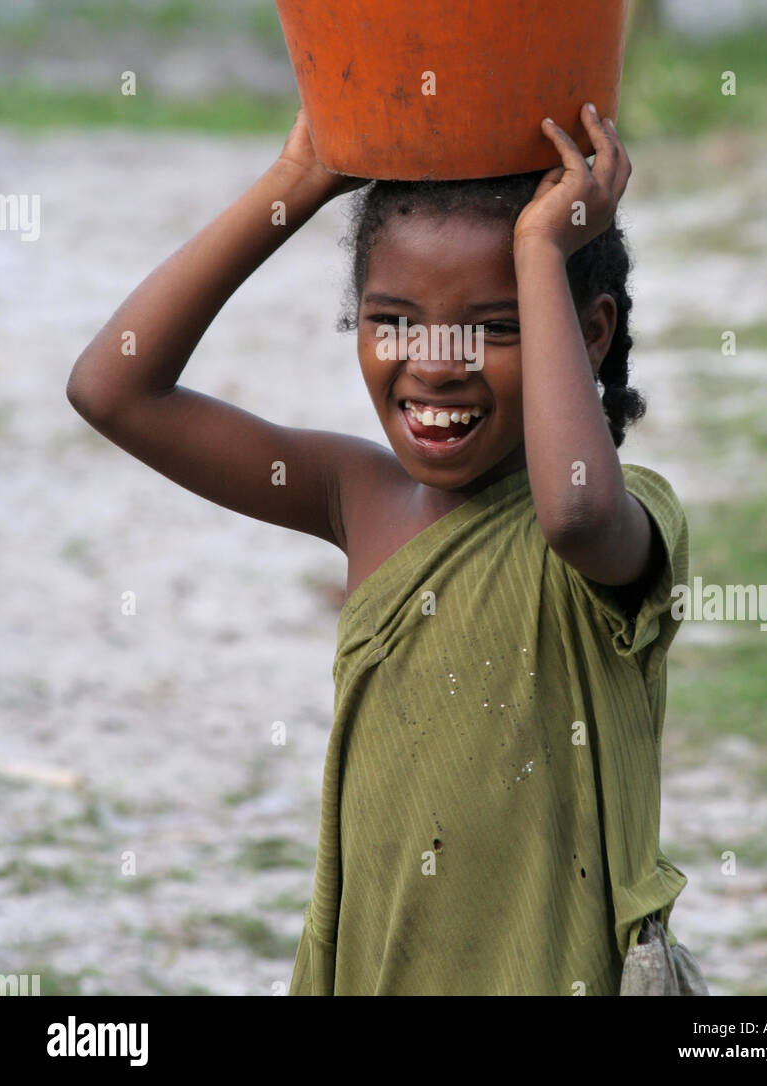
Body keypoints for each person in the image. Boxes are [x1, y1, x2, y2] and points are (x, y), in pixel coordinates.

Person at [66, 102, 693, 996]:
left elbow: (575, 515)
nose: (436, 364)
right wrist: (297, 184)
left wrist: (541, 252)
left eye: (497, 325)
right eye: (394, 320)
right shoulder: (360, 497)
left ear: (587, 333)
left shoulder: (630, 516)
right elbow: (113, 387)